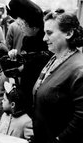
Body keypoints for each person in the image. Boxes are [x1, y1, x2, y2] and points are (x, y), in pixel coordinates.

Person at [32, 11, 83, 143]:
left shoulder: (79, 69)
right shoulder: (54, 58)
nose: (44, 38)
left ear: (69, 33)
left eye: (49, 33)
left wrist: (58, 139)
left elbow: (81, 117)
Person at [7, 0, 52, 116]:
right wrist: (16, 57)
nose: (20, 29)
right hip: (25, 93)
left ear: (32, 25)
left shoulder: (47, 41)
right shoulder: (27, 39)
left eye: (21, 25)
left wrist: (23, 67)